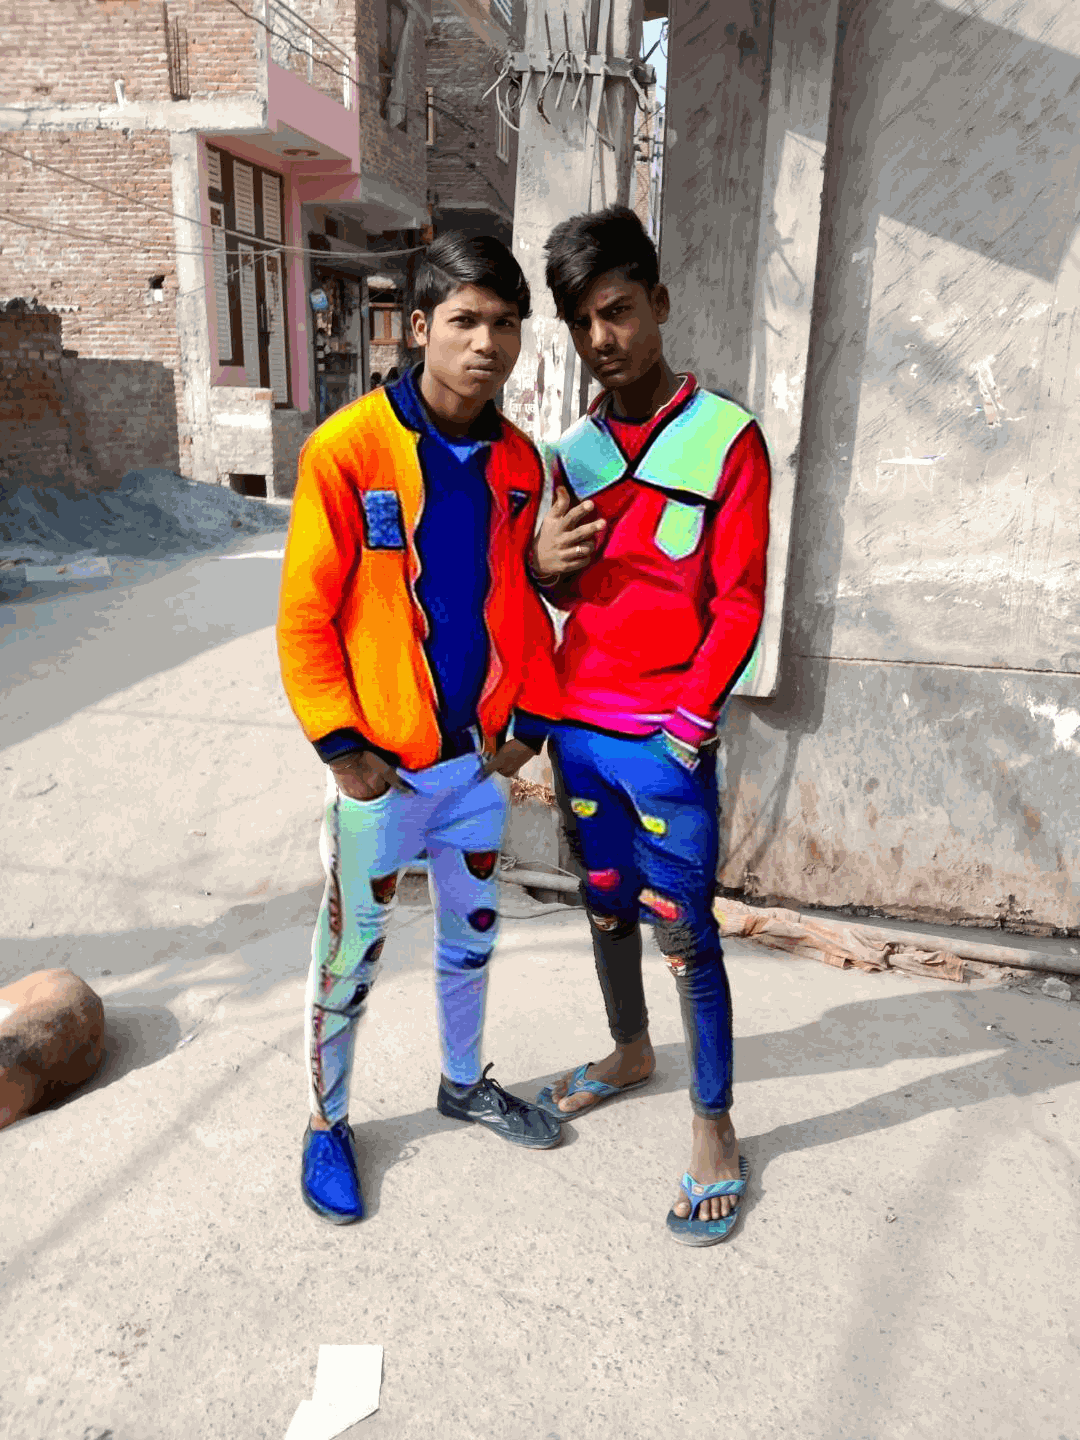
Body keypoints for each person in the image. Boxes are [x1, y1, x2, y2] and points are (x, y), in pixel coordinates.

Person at [277, 233, 564, 1226]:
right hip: (382, 780)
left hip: (473, 776)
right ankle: (326, 1124)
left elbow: (522, 603)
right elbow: (304, 617)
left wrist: (526, 726)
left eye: (505, 324)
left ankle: (462, 1082)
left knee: (471, 941)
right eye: (465, 321)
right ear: (418, 328)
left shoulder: (520, 464)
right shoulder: (348, 451)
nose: (487, 343)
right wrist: (343, 750)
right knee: (349, 957)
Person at [528, 206, 771, 1246]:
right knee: (604, 904)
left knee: (686, 931)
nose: (603, 338)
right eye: (583, 321)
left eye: (619, 310)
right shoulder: (570, 453)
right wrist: (540, 566)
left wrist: (685, 724)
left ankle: (714, 1125)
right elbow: (556, 594)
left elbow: (742, 605)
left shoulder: (727, 439)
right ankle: (630, 1050)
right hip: (580, 735)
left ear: (659, 303)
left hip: (666, 742)